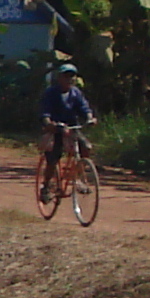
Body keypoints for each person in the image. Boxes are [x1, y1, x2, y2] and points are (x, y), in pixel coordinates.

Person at [37, 60, 94, 199]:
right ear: (59, 78)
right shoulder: (50, 93)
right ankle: (46, 186)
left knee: (86, 147)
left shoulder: (76, 93)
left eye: (72, 76)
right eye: (66, 76)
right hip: (56, 128)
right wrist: (50, 124)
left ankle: (78, 178)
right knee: (53, 157)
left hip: (72, 126)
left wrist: (89, 118)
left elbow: (84, 107)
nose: (70, 79)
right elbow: (45, 113)